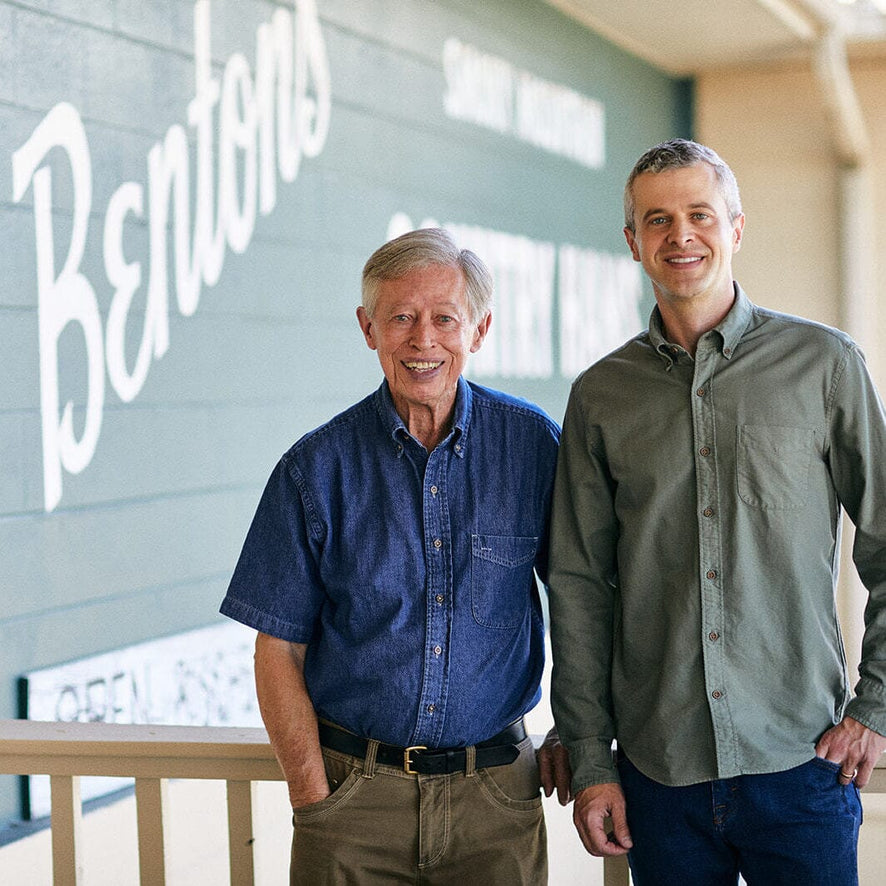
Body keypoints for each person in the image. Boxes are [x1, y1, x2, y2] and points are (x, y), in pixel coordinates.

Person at [548, 138, 886, 884]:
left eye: (700, 214)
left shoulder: (825, 366)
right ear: (633, 241)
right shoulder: (601, 396)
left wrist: (876, 707)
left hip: (801, 763)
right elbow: (578, 586)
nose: (682, 235)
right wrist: (591, 755)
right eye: (658, 220)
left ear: (735, 228)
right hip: (658, 776)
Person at [220, 227, 564, 884]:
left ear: (479, 330)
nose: (422, 339)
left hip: (495, 802)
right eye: (401, 317)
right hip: (353, 806)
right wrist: (313, 797)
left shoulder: (533, 448)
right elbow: (277, 650)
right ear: (368, 328)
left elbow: (583, 602)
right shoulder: (314, 469)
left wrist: (576, 730)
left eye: (444, 319)